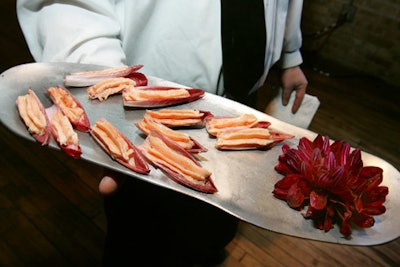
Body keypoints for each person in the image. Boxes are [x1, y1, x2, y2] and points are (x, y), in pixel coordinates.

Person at [17, 1, 309, 265]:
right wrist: (104, 89)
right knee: (143, 238)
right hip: (142, 116)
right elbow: (69, 7)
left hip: (239, 106)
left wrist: (289, 53)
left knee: (219, 217)